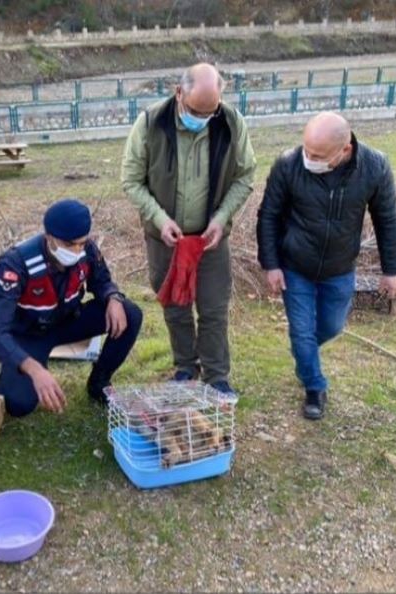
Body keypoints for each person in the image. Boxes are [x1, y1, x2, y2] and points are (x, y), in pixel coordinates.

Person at [257, 111, 396, 420]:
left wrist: (392, 270)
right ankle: (315, 386)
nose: (309, 158)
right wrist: (271, 264)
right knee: (301, 331)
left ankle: (303, 355)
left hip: (340, 268)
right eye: (306, 150)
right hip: (295, 266)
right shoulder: (288, 164)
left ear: (345, 150)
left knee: (331, 327)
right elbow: (268, 215)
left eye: (318, 155)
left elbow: (387, 220)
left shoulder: (374, 168)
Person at [121, 62, 256, 396]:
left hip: (210, 238)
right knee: (175, 305)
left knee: (212, 308)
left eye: (210, 112)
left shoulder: (230, 122)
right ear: (178, 92)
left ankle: (216, 376)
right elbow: (131, 180)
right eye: (197, 111)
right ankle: (185, 366)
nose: (203, 119)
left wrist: (222, 217)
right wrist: (159, 218)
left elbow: (245, 177)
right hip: (165, 237)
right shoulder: (151, 123)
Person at [0, 199, 143, 417]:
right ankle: (18, 370)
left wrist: (113, 297)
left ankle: (99, 383)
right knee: (17, 405)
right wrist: (33, 368)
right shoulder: (15, 264)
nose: (77, 250)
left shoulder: (87, 249)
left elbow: (101, 281)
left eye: (81, 243)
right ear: (49, 237)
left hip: (69, 321)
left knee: (130, 313)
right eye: (69, 245)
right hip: (30, 334)